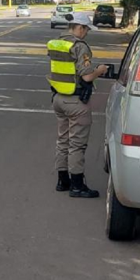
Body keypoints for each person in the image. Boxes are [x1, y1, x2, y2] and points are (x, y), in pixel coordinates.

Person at [47, 12, 108, 198]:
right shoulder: (79, 46)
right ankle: (77, 185)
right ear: (80, 28)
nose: (87, 33)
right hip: (75, 101)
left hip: (58, 98)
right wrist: (99, 70)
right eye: (87, 29)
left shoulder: (57, 42)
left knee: (63, 140)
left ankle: (62, 180)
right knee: (77, 144)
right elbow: (86, 76)